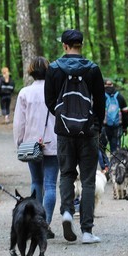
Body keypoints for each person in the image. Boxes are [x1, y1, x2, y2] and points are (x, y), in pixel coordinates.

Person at [44, 29, 105, 244]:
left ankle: (67, 212)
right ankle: (87, 231)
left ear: (64, 45)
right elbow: (100, 101)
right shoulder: (93, 69)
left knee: (67, 174)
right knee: (88, 180)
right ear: (81, 44)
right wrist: (96, 125)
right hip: (88, 132)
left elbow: (49, 101)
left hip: (64, 133)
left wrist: (63, 119)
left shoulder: (53, 69)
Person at [13, 56, 58, 239]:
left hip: (31, 145)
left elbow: (19, 122)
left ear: (31, 71)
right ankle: (45, 224)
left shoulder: (25, 93)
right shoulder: (55, 91)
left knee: (36, 182)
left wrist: (19, 142)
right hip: (53, 142)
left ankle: (36, 223)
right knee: (50, 185)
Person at [102, 79, 128, 153]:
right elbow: (125, 113)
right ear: (112, 85)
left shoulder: (100, 96)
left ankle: (105, 164)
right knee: (116, 151)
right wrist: (125, 127)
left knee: (101, 149)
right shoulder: (119, 96)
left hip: (104, 127)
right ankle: (114, 163)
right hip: (117, 127)